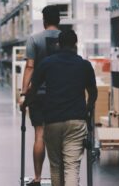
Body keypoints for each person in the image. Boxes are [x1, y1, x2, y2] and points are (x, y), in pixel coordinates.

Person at [26, 30, 98, 186]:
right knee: (72, 167)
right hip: (76, 121)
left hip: (52, 121)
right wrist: (86, 110)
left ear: (59, 44)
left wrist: (25, 103)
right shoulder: (85, 65)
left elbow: (33, 89)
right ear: (75, 44)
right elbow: (93, 93)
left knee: (56, 166)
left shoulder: (47, 63)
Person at [20, 5, 61, 186]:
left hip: (38, 94)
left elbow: (29, 66)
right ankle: (58, 178)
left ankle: (37, 178)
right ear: (59, 20)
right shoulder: (66, 39)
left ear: (44, 20)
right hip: (59, 94)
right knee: (59, 136)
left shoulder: (34, 39)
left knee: (39, 135)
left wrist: (23, 93)